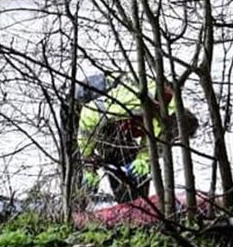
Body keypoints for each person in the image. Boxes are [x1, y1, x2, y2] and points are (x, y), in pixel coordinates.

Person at [75, 72, 198, 203]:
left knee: (138, 173)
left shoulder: (165, 121)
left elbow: (153, 146)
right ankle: (73, 211)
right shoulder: (140, 102)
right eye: (174, 136)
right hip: (84, 102)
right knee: (81, 168)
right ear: (175, 123)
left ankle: (132, 206)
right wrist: (87, 160)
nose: (172, 140)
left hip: (113, 122)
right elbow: (90, 114)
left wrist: (143, 160)